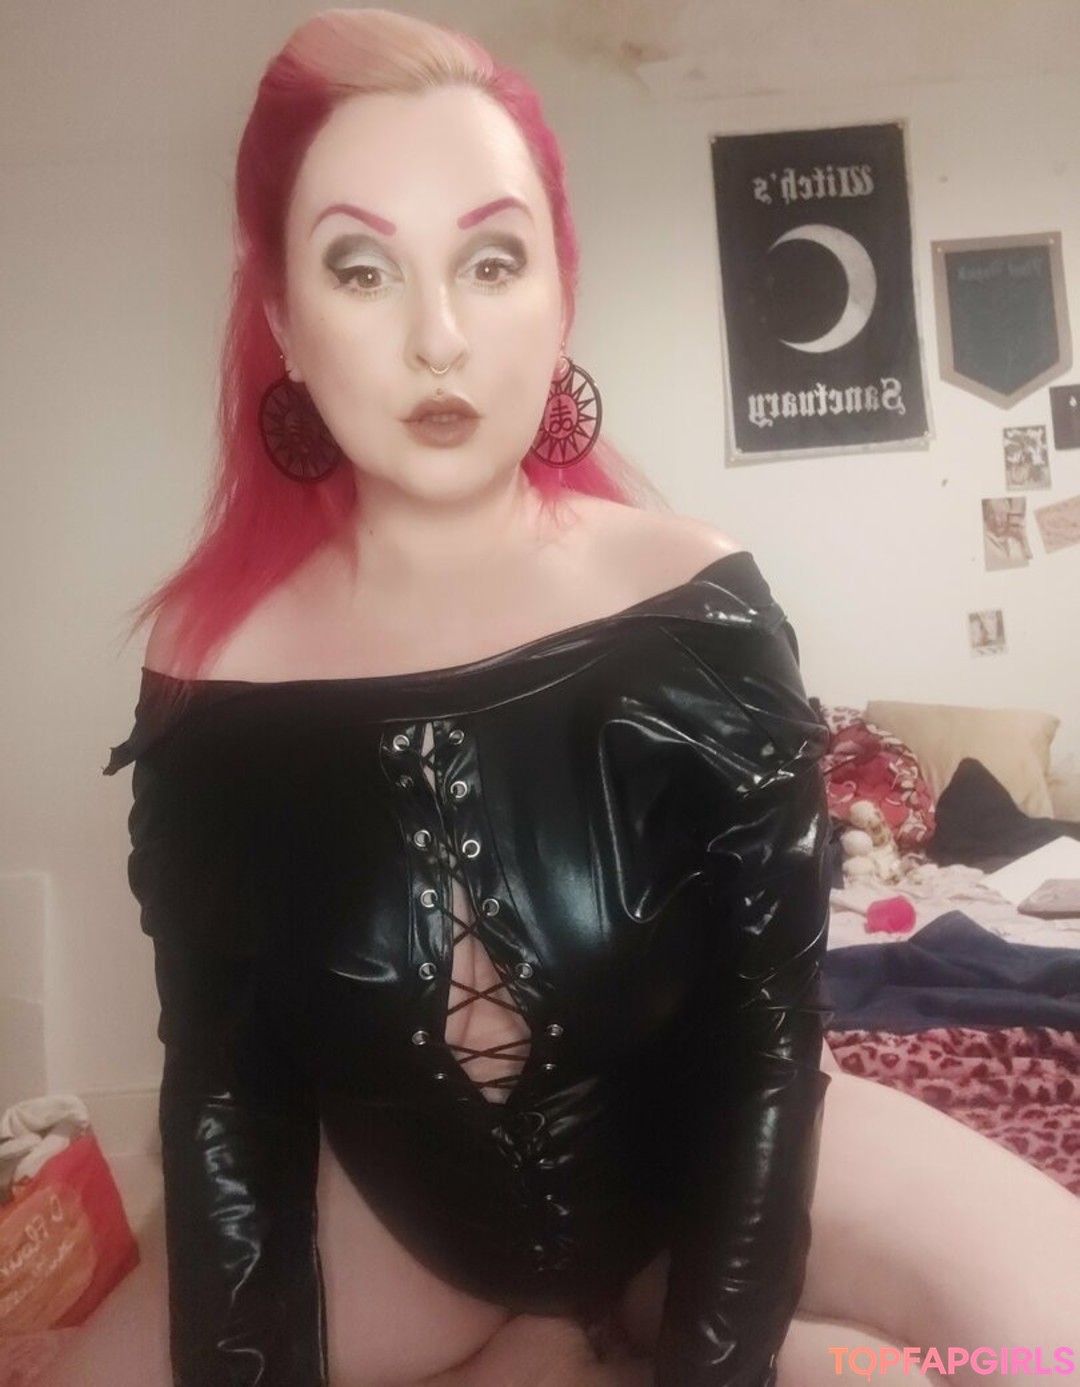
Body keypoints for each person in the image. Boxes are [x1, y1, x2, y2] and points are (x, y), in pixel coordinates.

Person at [49, 9, 1080, 1386]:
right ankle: (547, 1337)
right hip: (405, 1226)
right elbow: (231, 1092)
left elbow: (762, 1035)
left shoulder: (694, 609)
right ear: (284, 318)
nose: (438, 336)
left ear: (560, 291)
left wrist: (720, 1362)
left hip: (714, 1157)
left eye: (491, 261)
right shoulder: (214, 670)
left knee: (1051, 1336)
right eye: (363, 268)